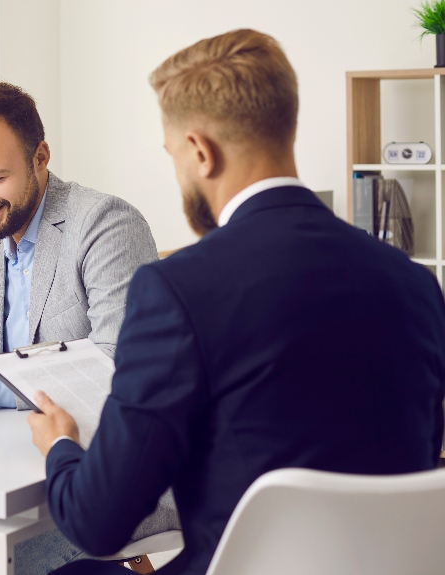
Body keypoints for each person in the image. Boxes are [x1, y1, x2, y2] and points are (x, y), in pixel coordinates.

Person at [28, 29, 445, 575]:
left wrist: (60, 446)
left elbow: (97, 522)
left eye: (174, 155)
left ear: (201, 152)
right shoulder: (414, 284)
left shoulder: (177, 290)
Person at [0, 82, 173, 573]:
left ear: (40, 156)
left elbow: (119, 373)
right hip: (13, 471)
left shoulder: (106, 224)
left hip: (106, 484)